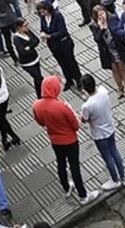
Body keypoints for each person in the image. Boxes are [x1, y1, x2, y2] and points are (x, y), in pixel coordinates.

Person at [32, 76, 100, 205]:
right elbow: (76, 125)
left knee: (61, 164)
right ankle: (83, 195)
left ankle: (67, 187)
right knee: (74, 167)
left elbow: (40, 122)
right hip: (70, 141)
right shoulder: (62, 107)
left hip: (54, 140)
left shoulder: (36, 105)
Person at [80, 74, 125, 191]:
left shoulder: (87, 105)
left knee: (107, 156)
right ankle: (123, 177)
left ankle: (115, 180)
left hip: (99, 134)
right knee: (114, 151)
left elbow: (84, 119)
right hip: (110, 127)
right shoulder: (103, 90)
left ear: (85, 89)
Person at [37, 1, 83, 90]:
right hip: (53, 45)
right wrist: (42, 32)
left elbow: (62, 31)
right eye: (41, 12)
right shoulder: (43, 18)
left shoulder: (57, 16)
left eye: (43, 11)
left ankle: (78, 80)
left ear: (48, 9)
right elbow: (43, 28)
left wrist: (49, 36)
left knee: (71, 62)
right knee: (62, 63)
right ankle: (69, 80)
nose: (42, 14)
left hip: (64, 43)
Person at [90, 5, 125, 98]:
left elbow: (118, 32)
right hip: (107, 51)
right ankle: (120, 89)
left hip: (117, 47)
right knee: (114, 70)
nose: (102, 16)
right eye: (99, 15)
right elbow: (97, 39)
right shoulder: (94, 25)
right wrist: (101, 29)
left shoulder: (112, 18)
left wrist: (109, 29)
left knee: (122, 68)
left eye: (103, 13)